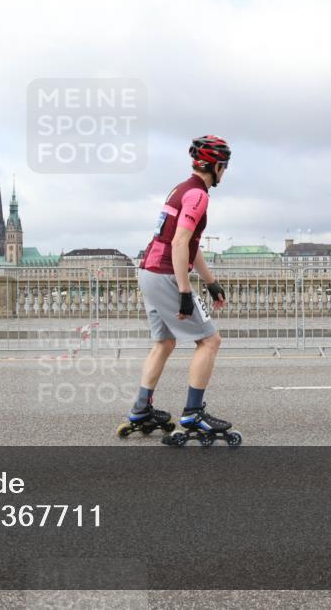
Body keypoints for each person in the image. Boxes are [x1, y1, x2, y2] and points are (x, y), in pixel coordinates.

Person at [117, 135, 238, 446]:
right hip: (166, 274)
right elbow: (180, 242)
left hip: (148, 271)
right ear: (216, 166)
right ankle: (194, 413)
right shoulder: (199, 196)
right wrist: (185, 291)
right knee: (210, 340)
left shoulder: (180, 189)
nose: (225, 172)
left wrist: (210, 282)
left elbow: (189, 243)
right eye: (224, 166)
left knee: (164, 343)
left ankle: (141, 409)